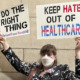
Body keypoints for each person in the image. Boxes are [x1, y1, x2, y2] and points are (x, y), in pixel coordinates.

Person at [0, 33, 80, 80]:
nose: (45, 57)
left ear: (55, 57)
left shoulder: (63, 71)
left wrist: (78, 52)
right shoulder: (34, 69)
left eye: (49, 54)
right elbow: (18, 64)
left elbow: (78, 78)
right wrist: (5, 44)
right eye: (43, 54)